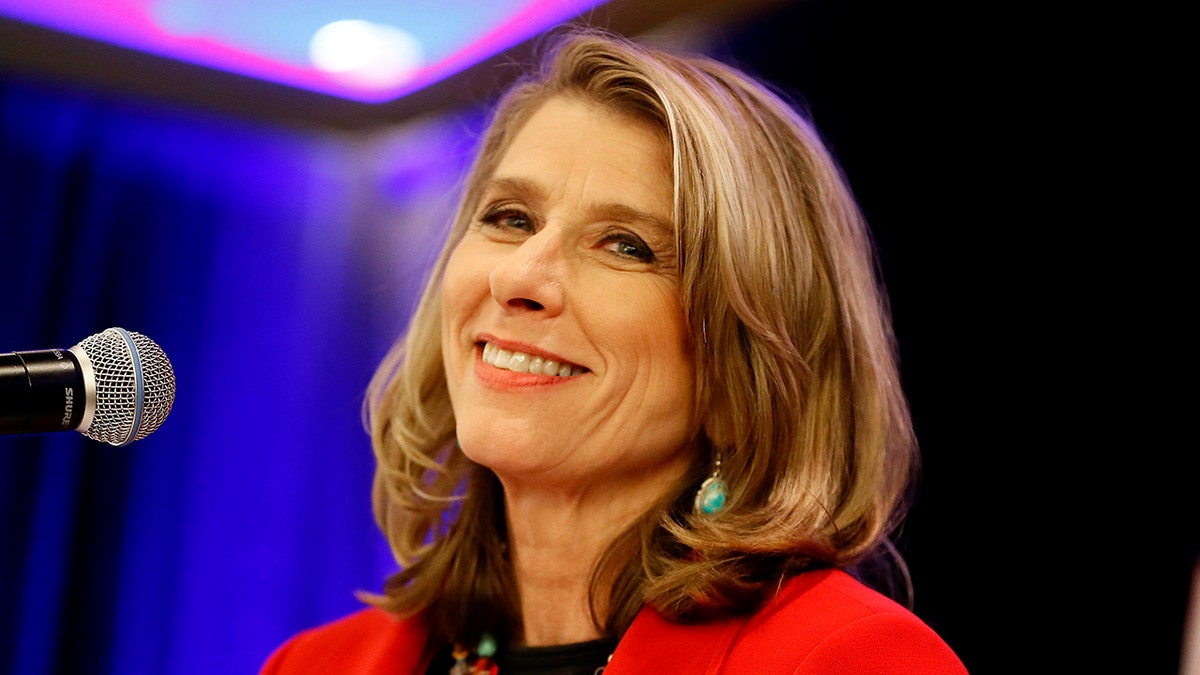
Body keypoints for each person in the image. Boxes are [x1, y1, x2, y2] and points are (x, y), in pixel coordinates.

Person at [261, 27, 968, 675]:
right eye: (511, 217)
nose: (519, 277)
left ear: (741, 368)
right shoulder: (313, 664)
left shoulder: (854, 659)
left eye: (625, 245)